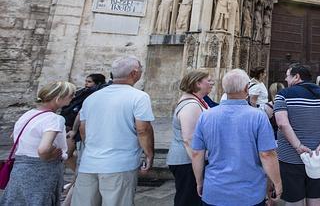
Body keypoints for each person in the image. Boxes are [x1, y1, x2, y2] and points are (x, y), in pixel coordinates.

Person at [72, 56, 155, 206]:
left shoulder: (92, 98)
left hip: (89, 163)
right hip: (119, 165)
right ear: (134, 73)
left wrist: (93, 149)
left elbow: (83, 129)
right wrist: (149, 155)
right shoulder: (139, 97)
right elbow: (143, 130)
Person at [191, 69, 281, 205]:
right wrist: (277, 182)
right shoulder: (258, 116)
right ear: (246, 88)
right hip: (249, 193)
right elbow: (267, 154)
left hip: (215, 190)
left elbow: (197, 152)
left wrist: (199, 182)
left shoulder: (206, 116)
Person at [274, 63, 320, 205]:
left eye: (287, 76)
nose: (286, 79)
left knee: (295, 199)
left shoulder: (283, 95)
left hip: (290, 158)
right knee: (316, 196)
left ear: (296, 77)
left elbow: (282, 123)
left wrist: (298, 146)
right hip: (318, 157)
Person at [0, 81, 76, 206]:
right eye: (71, 95)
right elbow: (43, 149)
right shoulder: (54, 119)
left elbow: (15, 136)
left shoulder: (28, 114)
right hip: (42, 170)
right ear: (58, 98)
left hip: (20, 168)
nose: (73, 97)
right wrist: (50, 155)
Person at [166, 70, 213, 205]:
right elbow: (189, 139)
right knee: (188, 199)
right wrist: (199, 165)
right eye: (208, 80)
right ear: (198, 83)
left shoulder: (197, 101)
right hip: (187, 161)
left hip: (189, 161)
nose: (212, 83)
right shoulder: (191, 105)